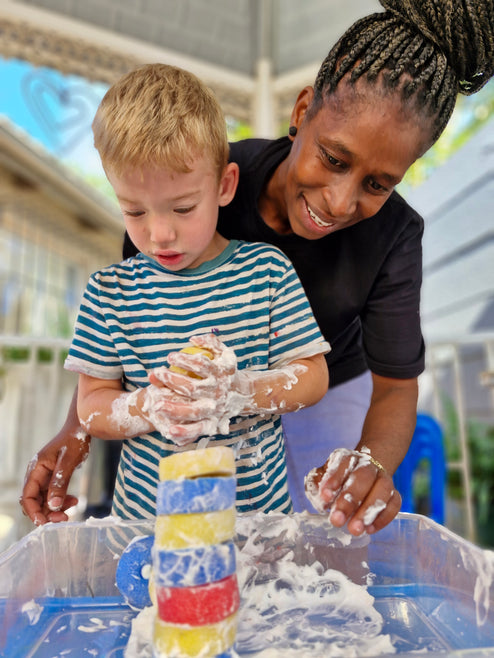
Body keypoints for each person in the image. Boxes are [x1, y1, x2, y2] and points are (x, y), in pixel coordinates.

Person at [20, 0, 494, 533]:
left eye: (377, 184)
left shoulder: (391, 237)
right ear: (302, 112)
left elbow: (393, 387)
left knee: (321, 533)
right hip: (174, 438)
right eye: (333, 159)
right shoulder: (191, 183)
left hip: (329, 381)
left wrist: (369, 462)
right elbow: (118, 340)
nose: (339, 201)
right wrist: (78, 428)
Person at [60, 62, 330, 520]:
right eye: (135, 212)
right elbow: (92, 406)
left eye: (183, 208)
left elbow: (311, 375)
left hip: (256, 526)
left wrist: (239, 390)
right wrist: (147, 405)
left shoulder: (266, 272)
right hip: (149, 529)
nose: (160, 233)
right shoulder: (110, 292)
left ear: (224, 186)